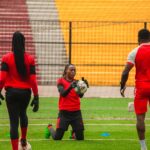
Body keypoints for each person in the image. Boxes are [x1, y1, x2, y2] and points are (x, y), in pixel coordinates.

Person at [0, 31, 39, 150]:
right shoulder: (30, 59)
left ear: (12, 42)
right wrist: (36, 96)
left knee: (13, 122)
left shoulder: (6, 58)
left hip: (11, 93)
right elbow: (33, 80)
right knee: (23, 114)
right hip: (25, 94)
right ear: (24, 43)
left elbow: (1, 78)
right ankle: (23, 140)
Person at [120, 29, 150, 150]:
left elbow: (126, 71)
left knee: (140, 118)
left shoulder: (135, 52)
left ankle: (143, 147)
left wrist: (122, 85)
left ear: (139, 39)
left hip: (141, 87)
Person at [45, 64, 89, 140]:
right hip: (64, 113)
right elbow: (63, 94)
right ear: (66, 71)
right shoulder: (61, 81)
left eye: (74, 70)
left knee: (80, 138)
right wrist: (70, 86)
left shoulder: (76, 82)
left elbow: (80, 96)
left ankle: (73, 133)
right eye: (71, 70)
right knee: (57, 138)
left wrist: (84, 88)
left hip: (76, 112)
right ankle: (49, 127)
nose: (73, 71)